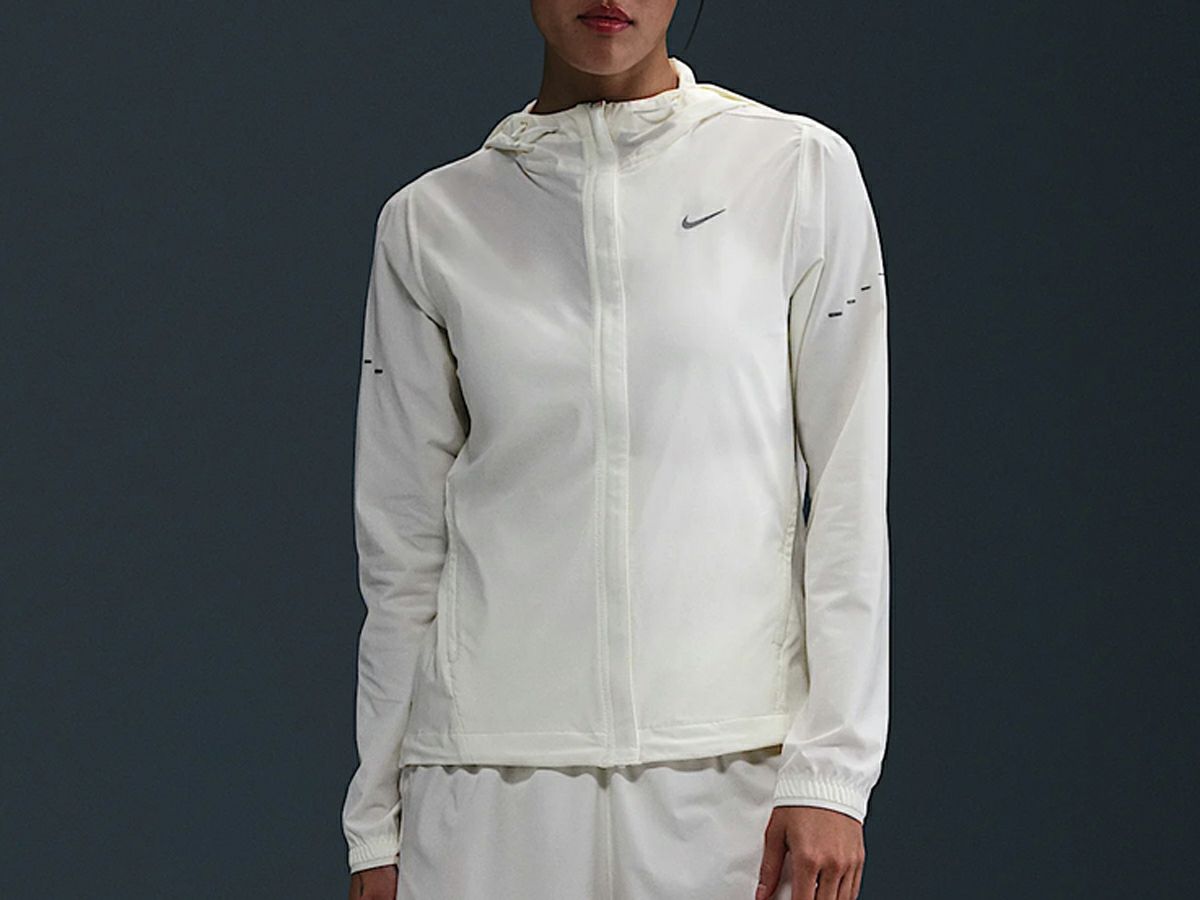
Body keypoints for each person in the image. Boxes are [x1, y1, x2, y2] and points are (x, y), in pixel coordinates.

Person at [342, 2, 890, 898]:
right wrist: (375, 825)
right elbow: (401, 552)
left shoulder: (796, 171)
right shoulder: (430, 222)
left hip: (731, 783)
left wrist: (831, 772)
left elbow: (849, 492)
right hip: (483, 790)